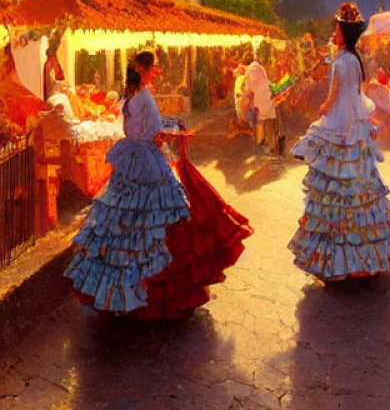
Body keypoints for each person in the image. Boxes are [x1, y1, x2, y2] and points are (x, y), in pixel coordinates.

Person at [64, 52, 252, 317]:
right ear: (143, 69)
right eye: (153, 68)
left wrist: (168, 132)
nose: (156, 71)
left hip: (131, 155)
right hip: (147, 159)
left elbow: (142, 128)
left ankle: (117, 291)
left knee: (125, 219)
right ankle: (149, 290)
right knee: (154, 219)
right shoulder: (143, 97)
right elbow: (155, 133)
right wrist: (177, 135)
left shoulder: (129, 96)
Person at [288, 2, 390, 281]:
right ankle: (365, 258)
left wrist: (325, 107)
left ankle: (340, 261)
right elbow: (356, 92)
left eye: (337, 28)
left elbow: (336, 93)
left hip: (340, 121)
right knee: (357, 187)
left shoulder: (342, 60)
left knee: (334, 187)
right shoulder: (354, 59)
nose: (334, 32)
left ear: (343, 32)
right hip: (354, 124)